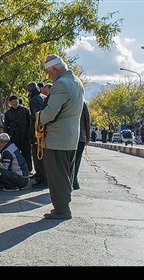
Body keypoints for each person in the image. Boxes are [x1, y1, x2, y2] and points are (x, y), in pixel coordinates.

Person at [39, 54, 84, 220]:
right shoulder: (76, 82)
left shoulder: (61, 84)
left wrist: (37, 118)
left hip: (57, 138)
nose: (49, 77)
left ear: (56, 68)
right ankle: (62, 206)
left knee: (57, 176)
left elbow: (50, 113)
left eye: (49, 73)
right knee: (66, 175)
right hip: (71, 138)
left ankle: (62, 210)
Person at [27, 82, 47, 189]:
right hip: (43, 132)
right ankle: (41, 176)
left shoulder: (34, 100)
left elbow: (37, 117)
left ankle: (42, 179)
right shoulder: (43, 97)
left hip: (38, 133)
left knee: (38, 156)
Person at [4, 95, 32, 173]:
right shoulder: (8, 113)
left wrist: (30, 134)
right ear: (10, 103)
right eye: (12, 101)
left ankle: (28, 169)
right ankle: (16, 169)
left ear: (18, 101)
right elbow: (6, 125)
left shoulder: (25, 110)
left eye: (16, 101)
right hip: (13, 135)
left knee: (26, 152)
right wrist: (7, 136)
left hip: (25, 135)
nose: (14, 103)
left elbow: (30, 123)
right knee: (15, 153)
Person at [73, 102, 90, 190]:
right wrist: (87, 137)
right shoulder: (82, 104)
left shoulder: (67, 100)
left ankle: (71, 181)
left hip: (70, 137)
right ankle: (74, 182)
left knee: (69, 161)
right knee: (77, 160)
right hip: (81, 137)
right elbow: (87, 121)